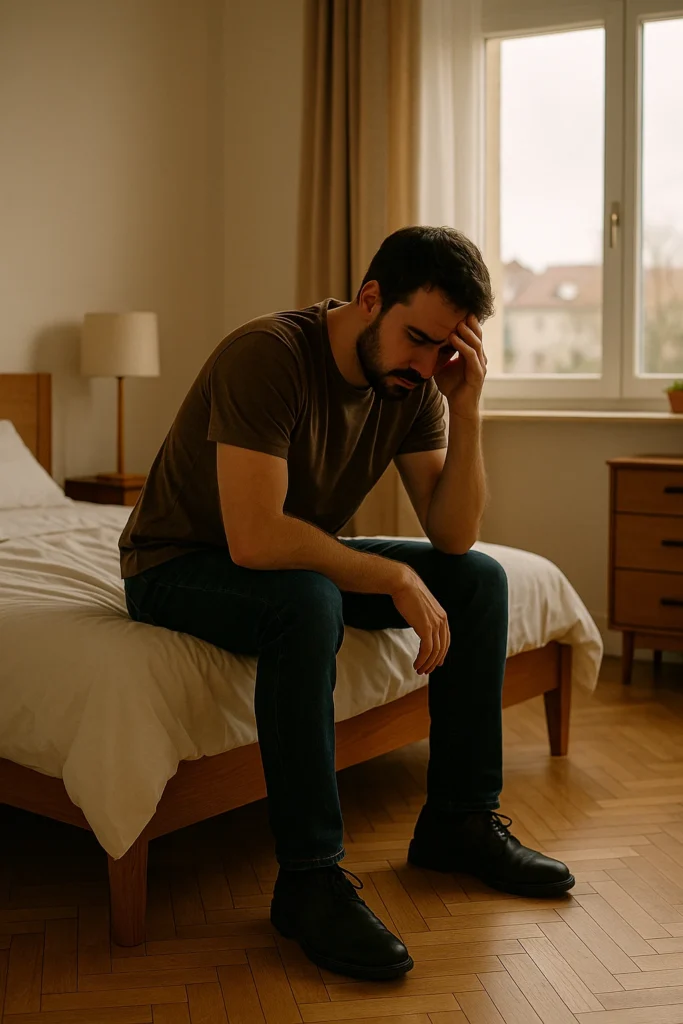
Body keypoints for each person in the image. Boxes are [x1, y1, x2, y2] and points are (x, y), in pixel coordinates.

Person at [120, 225, 574, 982]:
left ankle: (458, 823)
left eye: (445, 350)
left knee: (479, 580)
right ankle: (307, 879)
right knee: (306, 603)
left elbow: (455, 537)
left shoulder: (419, 383)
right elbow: (256, 539)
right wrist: (392, 579)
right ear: (370, 300)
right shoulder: (266, 356)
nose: (426, 365)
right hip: (177, 564)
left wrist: (467, 408)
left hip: (283, 557)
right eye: (416, 340)